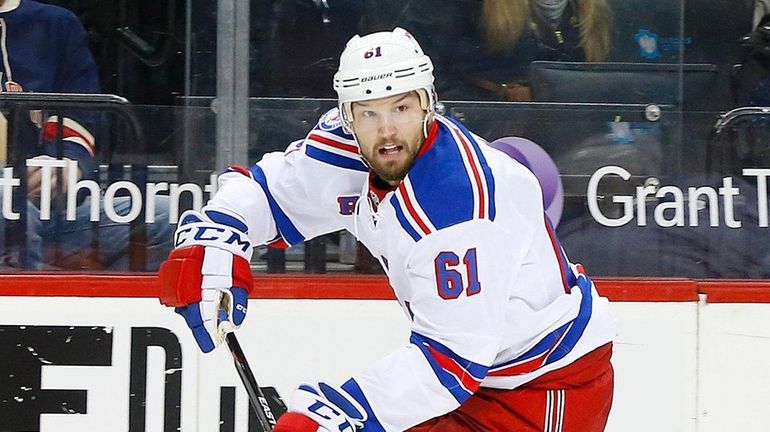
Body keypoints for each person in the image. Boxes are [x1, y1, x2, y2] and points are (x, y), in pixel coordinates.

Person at [159, 28, 616, 431]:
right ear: (347, 115)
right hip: (467, 375)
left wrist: (333, 416)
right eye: (370, 113)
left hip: (543, 388)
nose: (388, 130)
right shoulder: (346, 145)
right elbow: (271, 192)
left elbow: (448, 364)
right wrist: (214, 236)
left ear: (428, 106)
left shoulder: (457, 205)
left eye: (401, 107)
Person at [0, 0, 172, 270]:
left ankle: (82, 307)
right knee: (9, 206)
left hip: (50, 208)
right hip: (12, 208)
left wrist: (65, 163)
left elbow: (80, 114)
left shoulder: (55, 24)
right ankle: (29, 305)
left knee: (166, 216)